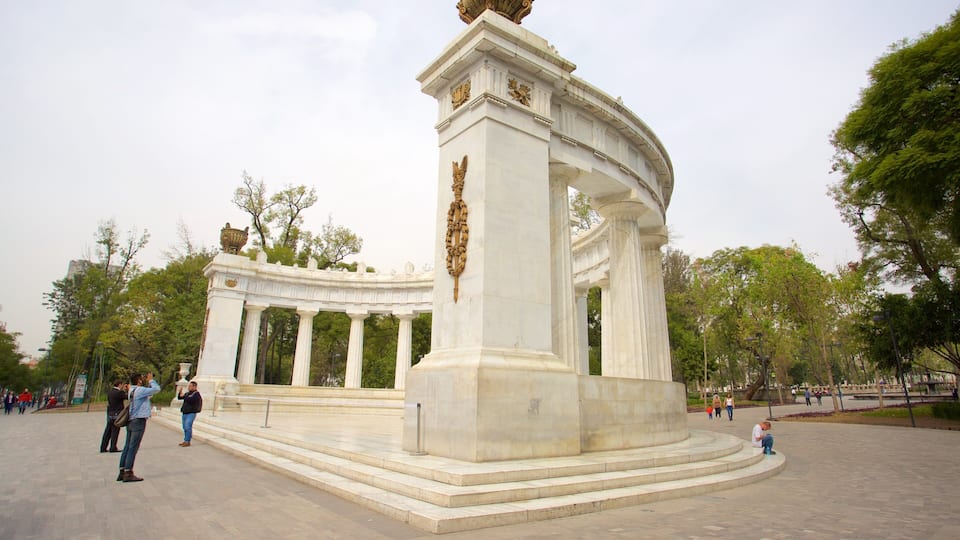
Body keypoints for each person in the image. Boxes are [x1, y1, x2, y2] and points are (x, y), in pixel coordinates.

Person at [117, 372, 160, 483]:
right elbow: (156, 389)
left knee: (127, 446)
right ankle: (128, 472)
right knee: (133, 447)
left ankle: (122, 470)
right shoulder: (140, 390)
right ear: (139, 380)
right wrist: (151, 380)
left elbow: (149, 395)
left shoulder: (132, 390)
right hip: (138, 421)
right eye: (142, 378)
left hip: (131, 420)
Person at [100, 380, 126, 453]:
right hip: (117, 414)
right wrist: (124, 390)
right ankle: (113, 447)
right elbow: (126, 396)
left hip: (110, 413)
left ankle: (103, 447)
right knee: (115, 431)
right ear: (119, 385)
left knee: (107, 431)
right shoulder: (119, 393)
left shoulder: (110, 392)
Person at [177, 381, 202, 447]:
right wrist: (180, 392)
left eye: (190, 386)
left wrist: (185, 396)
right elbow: (180, 397)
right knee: (184, 427)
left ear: (194, 387)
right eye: (189, 386)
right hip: (185, 412)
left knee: (188, 426)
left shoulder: (196, 394)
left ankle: (187, 441)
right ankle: (185, 440)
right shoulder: (187, 393)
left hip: (191, 413)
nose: (189, 387)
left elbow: (191, 400)